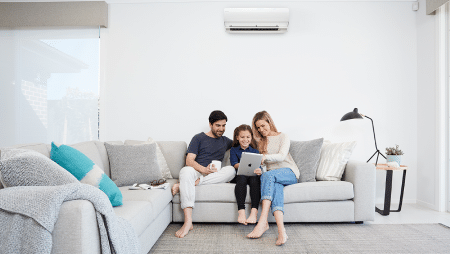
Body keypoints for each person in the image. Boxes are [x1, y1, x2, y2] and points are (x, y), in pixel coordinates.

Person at [171, 110, 235, 238]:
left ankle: (186, 185)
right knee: (186, 171)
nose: (221, 129)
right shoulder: (198, 138)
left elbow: (243, 141)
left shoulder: (226, 141)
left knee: (232, 170)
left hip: (212, 175)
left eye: (224, 125)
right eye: (218, 125)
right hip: (196, 171)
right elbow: (189, 160)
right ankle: (188, 221)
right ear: (210, 124)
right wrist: (203, 170)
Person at [246, 111, 300, 246]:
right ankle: (282, 233)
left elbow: (281, 156)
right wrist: (260, 168)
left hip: (289, 172)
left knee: (269, 175)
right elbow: (265, 166)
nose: (261, 130)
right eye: (258, 128)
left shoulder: (283, 136)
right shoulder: (260, 142)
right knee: (274, 186)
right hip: (273, 176)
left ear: (269, 122)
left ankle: (262, 221)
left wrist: (265, 158)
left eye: (263, 126)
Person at [229, 124, 262, 225]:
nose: (245, 140)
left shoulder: (255, 151)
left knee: (255, 180)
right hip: (240, 175)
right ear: (237, 138)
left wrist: (259, 170)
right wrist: (243, 164)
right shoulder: (233, 150)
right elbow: (234, 164)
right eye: (242, 137)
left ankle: (254, 212)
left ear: (251, 138)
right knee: (242, 178)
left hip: (252, 175)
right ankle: (241, 212)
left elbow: (258, 166)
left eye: (248, 137)